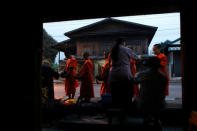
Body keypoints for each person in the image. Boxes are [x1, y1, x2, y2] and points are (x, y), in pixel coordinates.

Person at [134, 56, 168, 129]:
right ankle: (156, 120)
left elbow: (135, 81)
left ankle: (146, 119)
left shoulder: (141, 74)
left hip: (144, 104)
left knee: (137, 99)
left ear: (147, 65)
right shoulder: (163, 76)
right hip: (159, 104)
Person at [109, 37, 140, 109]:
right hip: (124, 73)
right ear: (123, 43)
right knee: (126, 93)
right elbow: (136, 58)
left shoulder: (112, 51)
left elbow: (109, 64)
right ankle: (125, 110)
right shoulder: (126, 49)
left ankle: (116, 110)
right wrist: (140, 58)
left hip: (113, 74)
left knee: (115, 95)